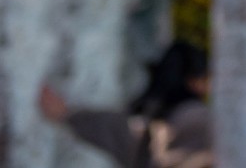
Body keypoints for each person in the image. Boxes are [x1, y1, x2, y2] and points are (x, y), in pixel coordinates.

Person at [38, 39, 215, 168]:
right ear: (194, 80)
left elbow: (108, 127)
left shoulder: (144, 121)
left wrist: (67, 115)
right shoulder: (198, 118)